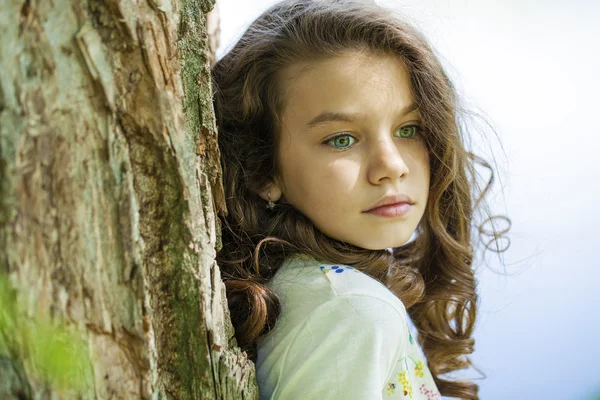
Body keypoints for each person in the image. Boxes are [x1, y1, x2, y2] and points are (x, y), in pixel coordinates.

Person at [211, 1, 507, 399]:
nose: (391, 166)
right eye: (341, 139)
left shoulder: (311, 291)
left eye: (408, 129)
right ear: (263, 170)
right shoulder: (351, 311)